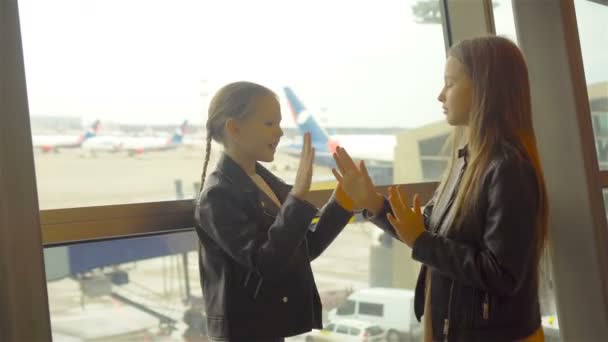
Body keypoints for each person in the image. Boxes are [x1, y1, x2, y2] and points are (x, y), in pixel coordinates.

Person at [332, 36, 548, 342]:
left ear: (485, 89)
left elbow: (502, 274)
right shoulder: (468, 161)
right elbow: (427, 231)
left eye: (450, 83)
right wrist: (375, 205)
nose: (440, 95)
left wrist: (421, 240)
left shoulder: (508, 169)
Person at [194, 81, 354, 342]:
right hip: (243, 334)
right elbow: (265, 262)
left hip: (267, 327)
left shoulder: (264, 183)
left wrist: (342, 202)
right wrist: (297, 198)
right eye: (269, 124)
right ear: (234, 128)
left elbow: (301, 248)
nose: (279, 132)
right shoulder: (218, 196)